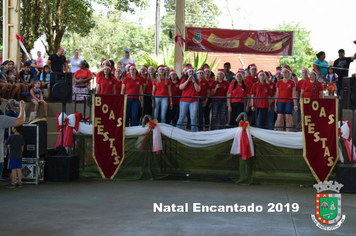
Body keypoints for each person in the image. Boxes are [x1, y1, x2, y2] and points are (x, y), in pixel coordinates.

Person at [0, 101, 26, 187]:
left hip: (12, 155)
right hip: (17, 154)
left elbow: (5, 144)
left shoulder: (11, 137)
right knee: (18, 169)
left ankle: (13, 182)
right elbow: (21, 120)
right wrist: (22, 108)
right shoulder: (2, 119)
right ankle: (19, 182)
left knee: (13, 169)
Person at [176, 67, 201, 132]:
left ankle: (193, 133)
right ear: (187, 73)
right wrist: (187, 81)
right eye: (190, 72)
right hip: (184, 101)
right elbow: (181, 88)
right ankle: (176, 131)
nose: (191, 73)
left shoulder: (196, 80)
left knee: (193, 118)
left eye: (192, 72)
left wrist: (194, 81)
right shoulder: (184, 79)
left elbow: (198, 89)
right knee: (181, 117)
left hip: (194, 101)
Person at [275, 65, 298, 132]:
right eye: (283, 72)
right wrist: (276, 104)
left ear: (289, 73)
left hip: (289, 101)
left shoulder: (292, 82)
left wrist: (295, 105)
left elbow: (294, 94)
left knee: (288, 118)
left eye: (286, 72)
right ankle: (280, 133)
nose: (284, 74)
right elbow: (277, 93)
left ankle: (289, 134)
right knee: (279, 118)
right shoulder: (279, 82)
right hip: (280, 101)